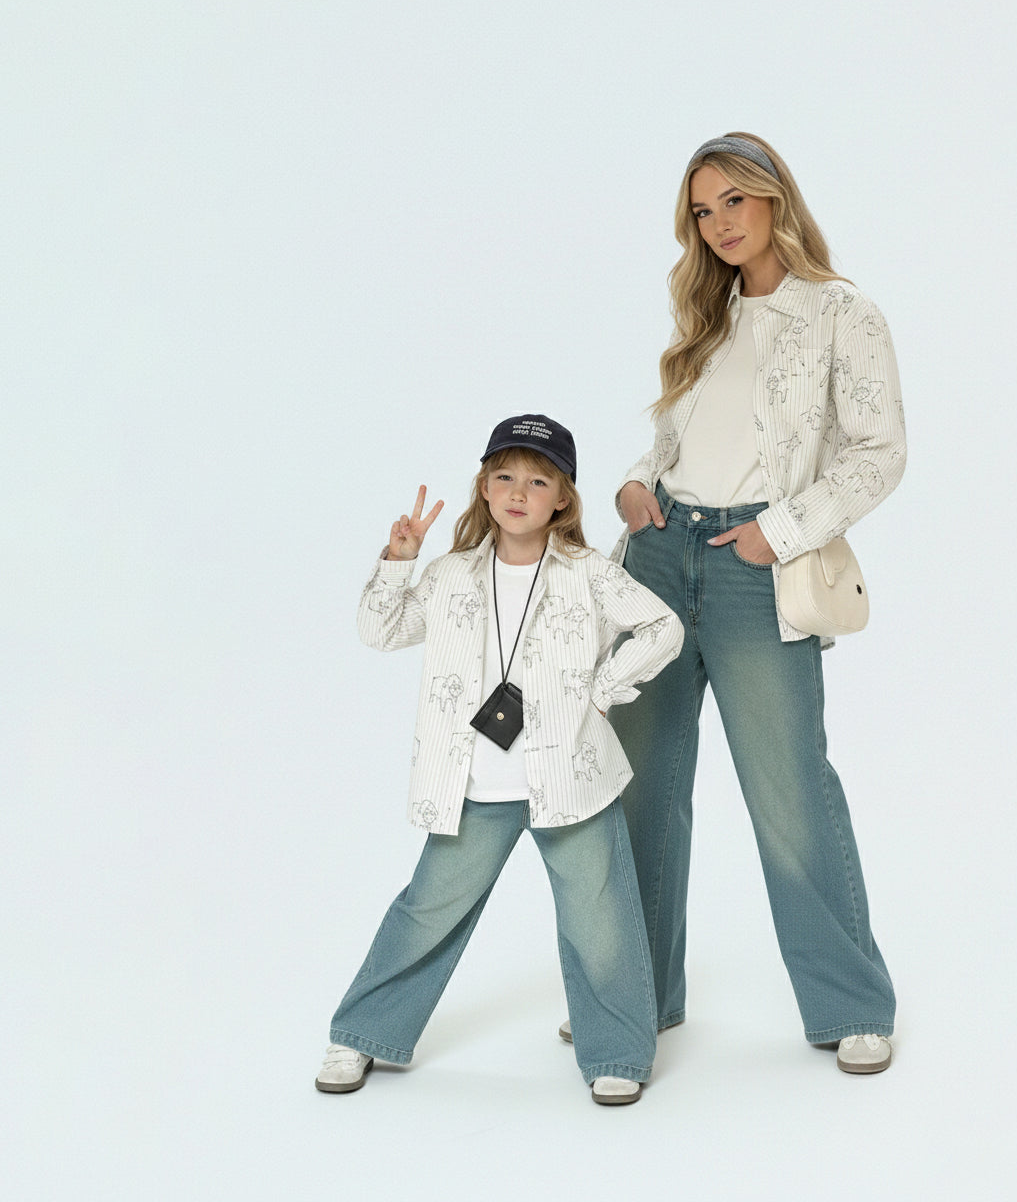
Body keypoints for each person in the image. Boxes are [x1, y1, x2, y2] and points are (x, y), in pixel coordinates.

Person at [603, 133, 906, 1074]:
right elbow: (682, 441)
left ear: (775, 197)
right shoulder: (708, 314)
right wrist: (635, 485)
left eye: (734, 200)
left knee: (790, 792)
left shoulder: (841, 313)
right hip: (659, 557)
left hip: (755, 566)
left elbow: (880, 452)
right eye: (703, 211)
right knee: (640, 789)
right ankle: (634, 1003)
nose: (720, 224)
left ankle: (850, 1004)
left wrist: (782, 530)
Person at [317, 414, 683, 1105]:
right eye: (505, 476)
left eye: (538, 481)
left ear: (562, 499)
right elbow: (378, 630)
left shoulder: (588, 573)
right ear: (484, 488)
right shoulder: (450, 574)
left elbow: (663, 626)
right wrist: (398, 559)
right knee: (425, 911)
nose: (519, 492)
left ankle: (617, 1051)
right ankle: (363, 1033)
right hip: (474, 785)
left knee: (599, 920)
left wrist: (604, 688)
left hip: (570, 780)